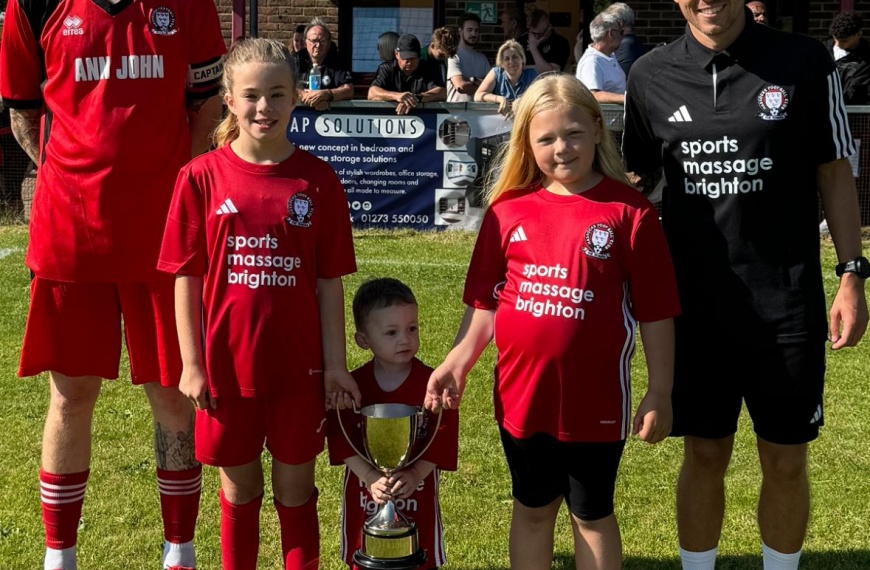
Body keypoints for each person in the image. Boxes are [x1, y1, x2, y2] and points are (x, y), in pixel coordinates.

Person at [622, 3, 868, 569]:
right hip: (694, 307)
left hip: (786, 301)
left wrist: (852, 275)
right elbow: (634, 178)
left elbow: (834, 168)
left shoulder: (805, 61)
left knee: (784, 460)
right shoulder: (649, 74)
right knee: (704, 452)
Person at [0, 0, 226, 568]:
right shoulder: (31, 4)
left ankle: (180, 550)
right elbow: (23, 113)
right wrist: (70, 174)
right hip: (69, 235)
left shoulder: (188, 4)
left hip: (162, 235)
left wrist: (169, 184)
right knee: (71, 395)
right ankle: (60, 555)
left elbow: (206, 106)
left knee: (173, 393)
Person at [424, 73, 681, 570]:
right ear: (526, 143)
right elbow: (485, 304)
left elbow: (656, 311)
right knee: (532, 508)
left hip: (595, 401)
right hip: (523, 397)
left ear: (596, 130)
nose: (561, 148)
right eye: (546, 138)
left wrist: (661, 390)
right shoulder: (507, 212)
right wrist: (458, 361)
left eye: (573, 133)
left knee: (591, 513)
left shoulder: (629, 213)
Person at [158, 38, 360, 570]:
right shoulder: (199, 177)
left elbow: (328, 283)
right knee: (239, 489)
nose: (263, 107)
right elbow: (187, 279)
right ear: (228, 99)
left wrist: (336, 367)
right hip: (226, 371)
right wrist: (193, 364)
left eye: (276, 94)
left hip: (299, 370)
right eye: (250, 95)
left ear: (296, 97)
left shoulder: (317, 181)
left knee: (296, 490)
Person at [327, 278, 458, 570]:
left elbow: (444, 433)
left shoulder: (432, 383)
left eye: (412, 328)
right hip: (364, 494)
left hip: (417, 492)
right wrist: (369, 476)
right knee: (367, 557)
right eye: (391, 332)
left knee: (417, 556)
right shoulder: (352, 385)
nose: (405, 339)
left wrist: (416, 473)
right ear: (364, 340)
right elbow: (338, 435)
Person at [368, 34, 445, 115]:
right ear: (396, 54)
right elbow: (372, 93)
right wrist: (397, 96)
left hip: (421, 119)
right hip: (389, 117)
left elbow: (442, 92)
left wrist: (416, 98)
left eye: (413, 58)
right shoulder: (387, 68)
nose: (409, 62)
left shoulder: (428, 68)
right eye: (406, 58)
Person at [294, 17, 353, 111]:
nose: (318, 45)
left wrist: (327, 94)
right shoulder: (295, 59)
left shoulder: (337, 60)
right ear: (305, 42)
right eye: (313, 41)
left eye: (322, 41)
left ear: (329, 43)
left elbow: (348, 90)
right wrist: (306, 96)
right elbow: (283, 86)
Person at [474, 40, 539, 117]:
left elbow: (542, 97)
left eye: (515, 57)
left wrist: (523, 101)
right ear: (502, 63)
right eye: (507, 59)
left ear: (522, 59)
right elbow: (477, 96)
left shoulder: (533, 75)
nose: (511, 61)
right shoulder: (496, 73)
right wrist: (499, 99)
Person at [575, 12, 627, 104]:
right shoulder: (592, 62)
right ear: (611, 34)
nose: (622, 37)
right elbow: (593, 95)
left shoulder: (609, 55)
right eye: (621, 32)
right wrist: (626, 99)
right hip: (602, 118)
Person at [826, 11, 870, 105]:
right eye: (835, 38)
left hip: (848, 110)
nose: (838, 44)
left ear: (859, 34)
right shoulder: (824, 50)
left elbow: (855, 92)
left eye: (844, 41)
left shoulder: (865, 59)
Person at [446, 13, 491, 102]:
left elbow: (493, 86)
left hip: (478, 112)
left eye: (476, 30)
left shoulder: (482, 58)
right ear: (460, 31)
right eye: (469, 30)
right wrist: (481, 84)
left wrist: (471, 82)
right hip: (456, 113)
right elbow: (461, 87)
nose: (473, 34)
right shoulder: (453, 56)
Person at [605, 2, 648, 77]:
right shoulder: (634, 42)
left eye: (609, 22)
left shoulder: (625, 46)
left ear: (620, 23)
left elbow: (615, 79)